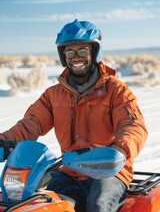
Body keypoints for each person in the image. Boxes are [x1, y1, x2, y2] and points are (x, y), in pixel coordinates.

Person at [0, 19, 148, 212]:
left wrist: (119, 150)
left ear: (95, 53)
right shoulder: (53, 95)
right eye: (70, 52)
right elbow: (31, 123)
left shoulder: (117, 91)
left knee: (99, 205)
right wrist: (5, 140)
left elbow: (133, 125)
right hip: (70, 172)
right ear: (63, 56)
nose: (76, 57)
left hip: (108, 173)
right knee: (36, 203)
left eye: (82, 51)